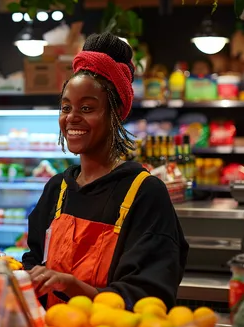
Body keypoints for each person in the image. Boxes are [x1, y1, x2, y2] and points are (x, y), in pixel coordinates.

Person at [23, 32, 189, 311]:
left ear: (114, 115)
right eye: (66, 107)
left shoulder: (144, 193)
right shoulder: (57, 189)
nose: (72, 117)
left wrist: (74, 287)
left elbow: (151, 296)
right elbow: (35, 259)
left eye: (86, 108)